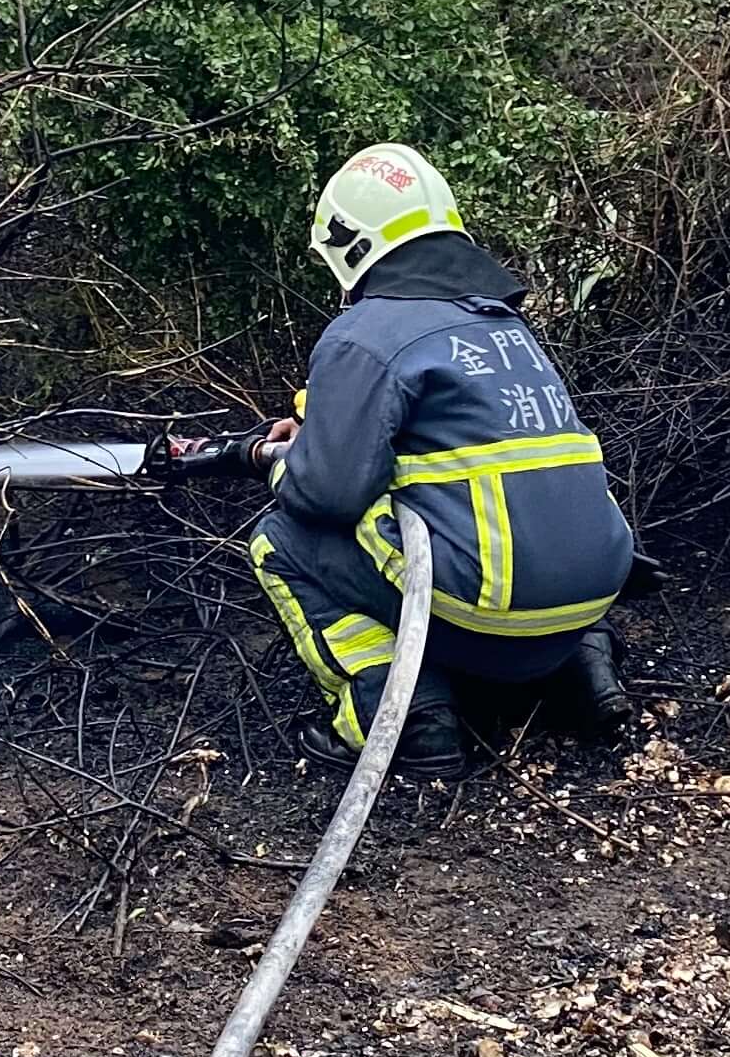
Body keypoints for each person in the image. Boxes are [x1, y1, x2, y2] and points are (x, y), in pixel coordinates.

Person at [244, 144, 634, 770]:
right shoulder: (504, 327)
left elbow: (327, 493)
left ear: (351, 243)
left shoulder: (365, 334)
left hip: (489, 624)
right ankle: (584, 673)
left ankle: (401, 717)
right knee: (531, 523)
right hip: (590, 599)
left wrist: (275, 458)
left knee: (279, 542)